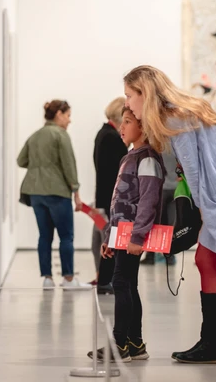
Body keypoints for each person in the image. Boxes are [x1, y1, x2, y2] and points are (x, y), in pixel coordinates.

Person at [123, 65, 216, 364]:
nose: (127, 103)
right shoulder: (182, 110)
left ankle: (215, 345)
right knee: (206, 260)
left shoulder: (173, 117)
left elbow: (193, 170)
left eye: (129, 95)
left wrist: (203, 211)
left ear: (144, 93)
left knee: (207, 260)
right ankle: (214, 343)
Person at [87, 107, 165, 362]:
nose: (122, 127)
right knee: (128, 283)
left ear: (143, 127)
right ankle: (135, 343)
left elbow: (148, 202)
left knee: (121, 283)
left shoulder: (148, 159)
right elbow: (118, 203)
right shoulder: (131, 156)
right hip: (122, 234)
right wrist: (110, 235)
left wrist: (137, 237)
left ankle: (119, 344)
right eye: (121, 122)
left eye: (128, 122)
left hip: (132, 235)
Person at [17, 100, 90, 289]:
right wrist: (76, 193)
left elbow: (20, 160)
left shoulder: (35, 136)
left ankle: (47, 279)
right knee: (66, 236)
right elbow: (69, 165)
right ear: (58, 114)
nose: (69, 120)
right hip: (57, 192)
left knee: (44, 236)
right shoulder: (61, 135)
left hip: (35, 193)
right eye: (68, 115)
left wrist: (39, 166)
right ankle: (68, 279)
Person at [90, 97, 128, 293]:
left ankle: (104, 279)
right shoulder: (112, 137)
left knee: (103, 237)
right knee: (109, 238)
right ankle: (105, 280)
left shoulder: (103, 133)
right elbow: (117, 170)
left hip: (103, 194)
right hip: (110, 196)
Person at [140, 151, 178, 265]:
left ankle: (151, 256)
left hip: (161, 188)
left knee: (155, 224)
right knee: (169, 225)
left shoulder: (157, 148)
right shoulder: (176, 146)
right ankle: (169, 256)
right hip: (175, 188)